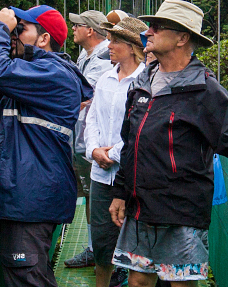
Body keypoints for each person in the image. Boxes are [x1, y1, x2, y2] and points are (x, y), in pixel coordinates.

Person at [109, 0, 228, 287]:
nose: (148, 32)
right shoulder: (142, 83)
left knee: (181, 284)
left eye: (157, 27)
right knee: (138, 281)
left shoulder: (203, 89)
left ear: (182, 38)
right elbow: (130, 144)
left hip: (181, 210)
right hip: (141, 206)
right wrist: (120, 192)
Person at [0, 5, 93, 287]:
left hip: (31, 197)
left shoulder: (52, 74)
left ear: (43, 39)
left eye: (19, 30)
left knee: (28, 279)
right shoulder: (28, 74)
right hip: (27, 194)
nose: (13, 36)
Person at [84, 17, 148, 287]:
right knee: (101, 244)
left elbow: (141, 127)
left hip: (132, 176)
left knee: (138, 245)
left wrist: (114, 155)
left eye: (115, 41)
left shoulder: (146, 81)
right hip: (101, 175)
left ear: (132, 47)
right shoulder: (105, 80)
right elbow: (92, 120)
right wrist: (94, 150)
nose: (108, 45)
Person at [64, 10, 112, 269]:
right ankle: (97, 249)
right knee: (92, 197)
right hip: (81, 141)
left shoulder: (105, 59)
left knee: (100, 198)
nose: (72, 29)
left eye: (77, 25)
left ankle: (105, 255)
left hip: (94, 144)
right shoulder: (86, 54)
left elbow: (82, 96)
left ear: (90, 30)